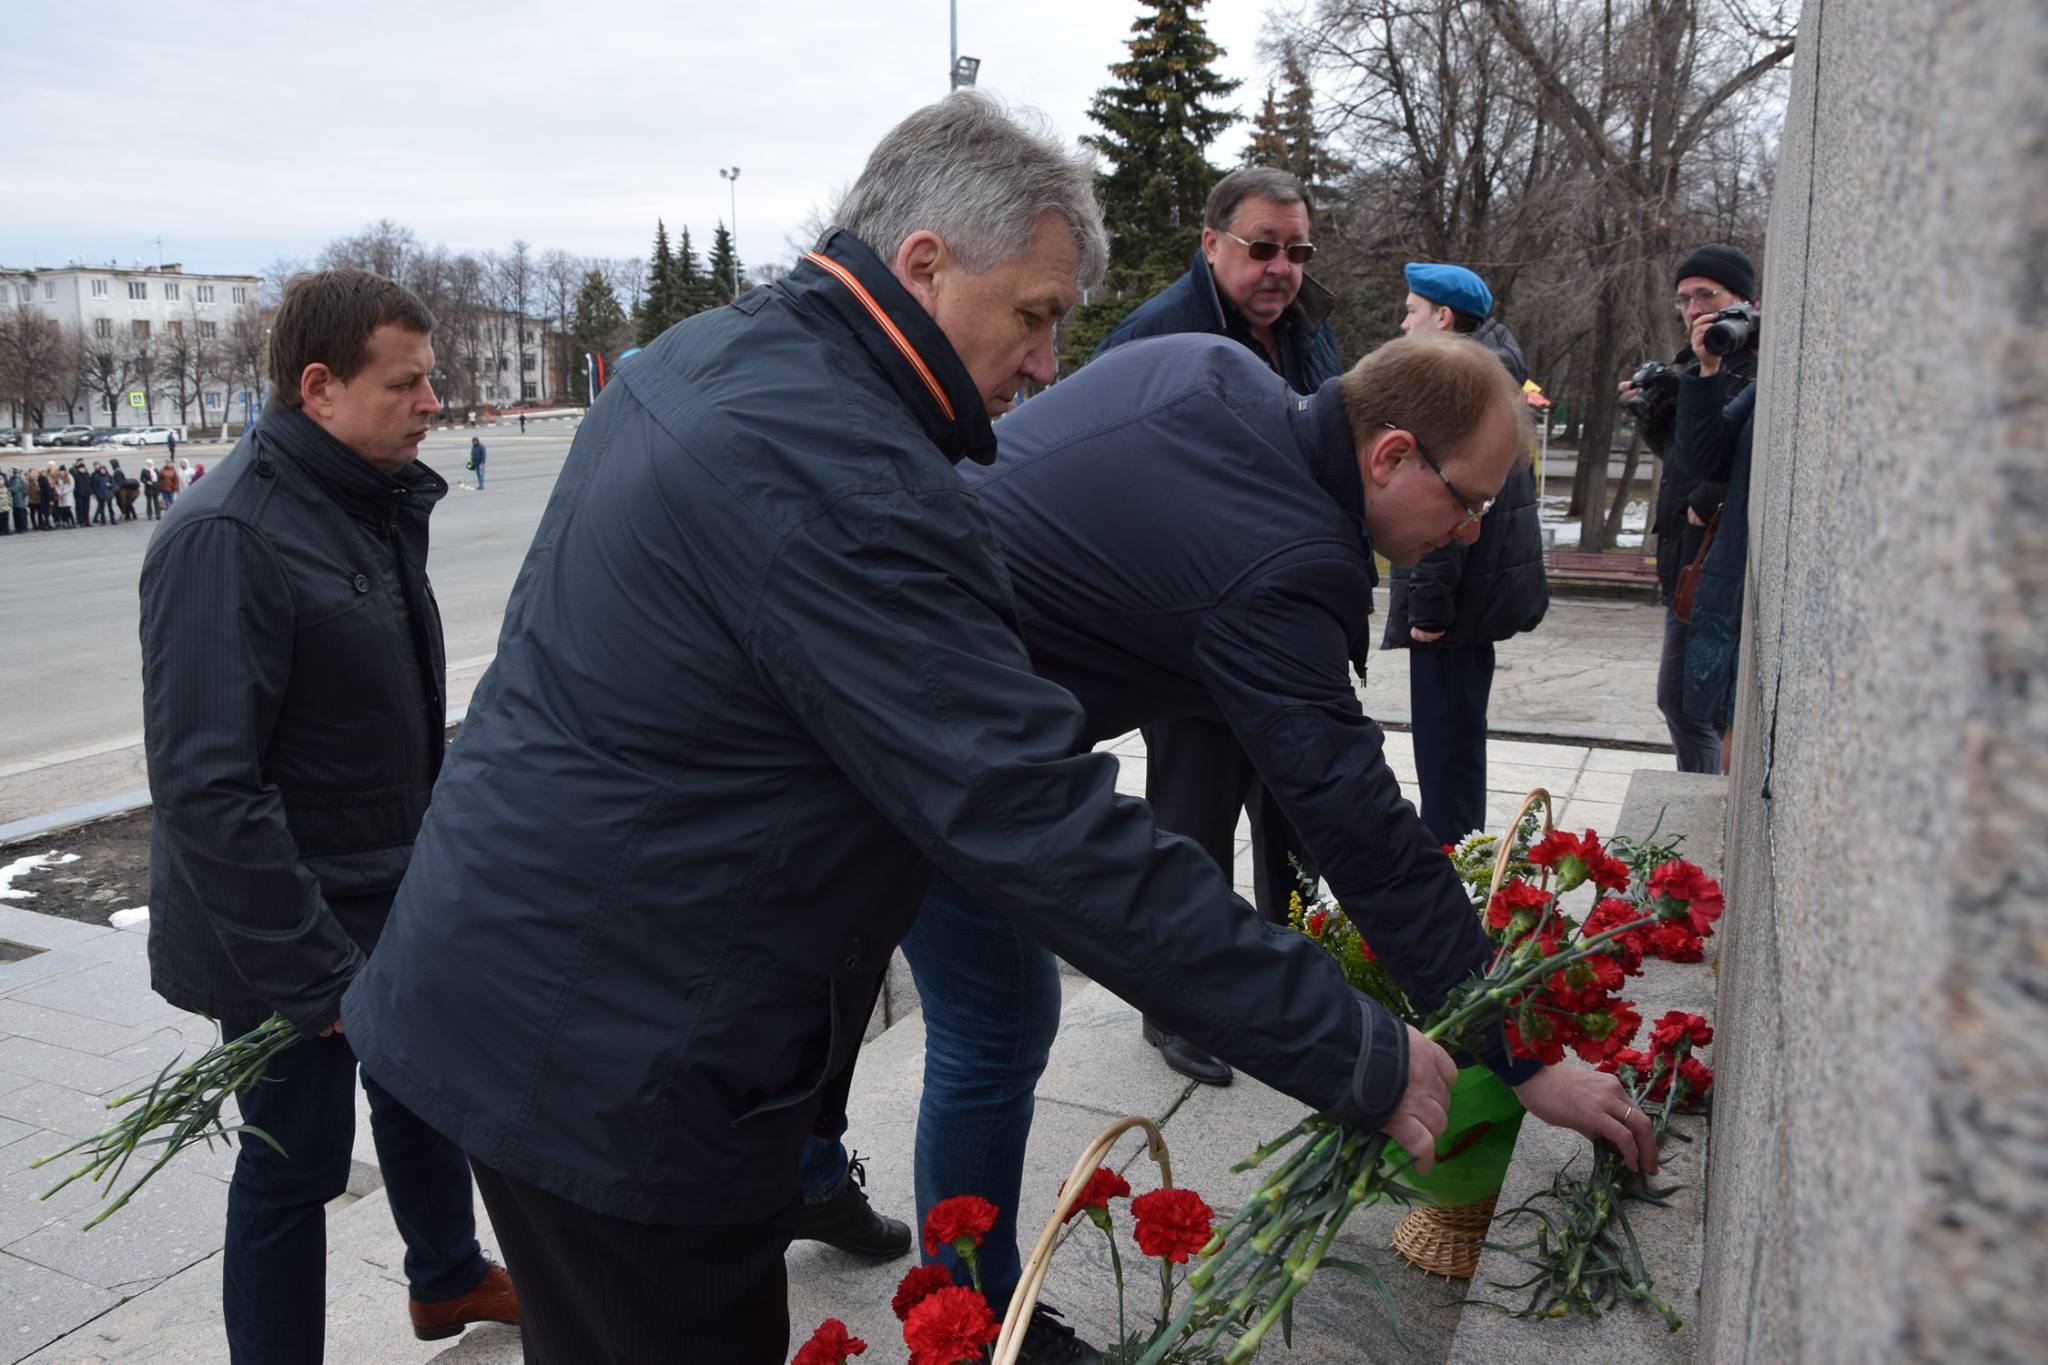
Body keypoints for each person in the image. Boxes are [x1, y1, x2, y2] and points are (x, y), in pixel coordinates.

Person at [342, 94, 1462, 1365]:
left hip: (528, 989)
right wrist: (1355, 1050)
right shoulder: (846, 477)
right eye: (1035, 315)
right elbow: (1031, 814)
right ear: (924, 260)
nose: (1045, 363)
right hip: (612, 1061)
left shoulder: (714, 352)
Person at [810, 333, 1661, 1356]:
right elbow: (1360, 824)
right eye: (1466, 499)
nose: (1474, 531)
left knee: (874, 977)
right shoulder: (1282, 561)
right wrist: (1521, 1059)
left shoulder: (1215, 369)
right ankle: (978, 1317)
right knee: (997, 1021)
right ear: (1388, 456)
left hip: (875, 665)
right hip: (912, 734)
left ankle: (808, 1174)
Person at [140, 269, 518, 1364]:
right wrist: (312, 974)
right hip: (283, 928)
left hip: (384, 886)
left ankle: (445, 1278)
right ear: (319, 387)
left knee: (423, 1091)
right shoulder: (230, 535)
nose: (432, 402)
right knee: (292, 1164)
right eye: (406, 383)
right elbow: (209, 789)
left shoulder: (363, 499)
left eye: (430, 379)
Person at [1087, 165, 1343, 1086]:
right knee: (1193, 823)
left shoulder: (1311, 332)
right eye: (1263, 248)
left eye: (1297, 250)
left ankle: (1288, 980)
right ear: (1211, 243)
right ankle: (1177, 1003)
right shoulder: (1156, 336)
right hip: (1189, 635)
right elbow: (1107, 482)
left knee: (1299, 808)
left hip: (1289, 625)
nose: (1282, 268)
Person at [1382, 263, 1549, 844]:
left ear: (1443, 317)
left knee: (1445, 750)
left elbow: (1443, 505)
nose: (1404, 324)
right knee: (1459, 744)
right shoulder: (1492, 374)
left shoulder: (1456, 386)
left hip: (1452, 607)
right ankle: (1466, 857)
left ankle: (1453, 872)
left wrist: (1426, 608)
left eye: (1412, 310)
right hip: (1475, 600)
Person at [1621, 243, 1759, 773]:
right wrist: (1653, 414)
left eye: (1707, 295)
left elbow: (1726, 463)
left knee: (1694, 707)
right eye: (1684, 299)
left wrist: (1705, 502)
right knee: (1680, 703)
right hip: (1683, 555)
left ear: (1741, 300)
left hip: (1712, 559)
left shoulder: (1748, 363)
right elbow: (1686, 458)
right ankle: (1699, 795)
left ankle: (1700, 799)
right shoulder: (1696, 363)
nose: (1694, 308)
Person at [1670, 303, 1761, 769]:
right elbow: (1703, 456)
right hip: (1732, 584)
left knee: (1732, 734)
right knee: (1725, 725)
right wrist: (1706, 370)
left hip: (1747, 580)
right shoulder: (1761, 383)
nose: (1697, 311)